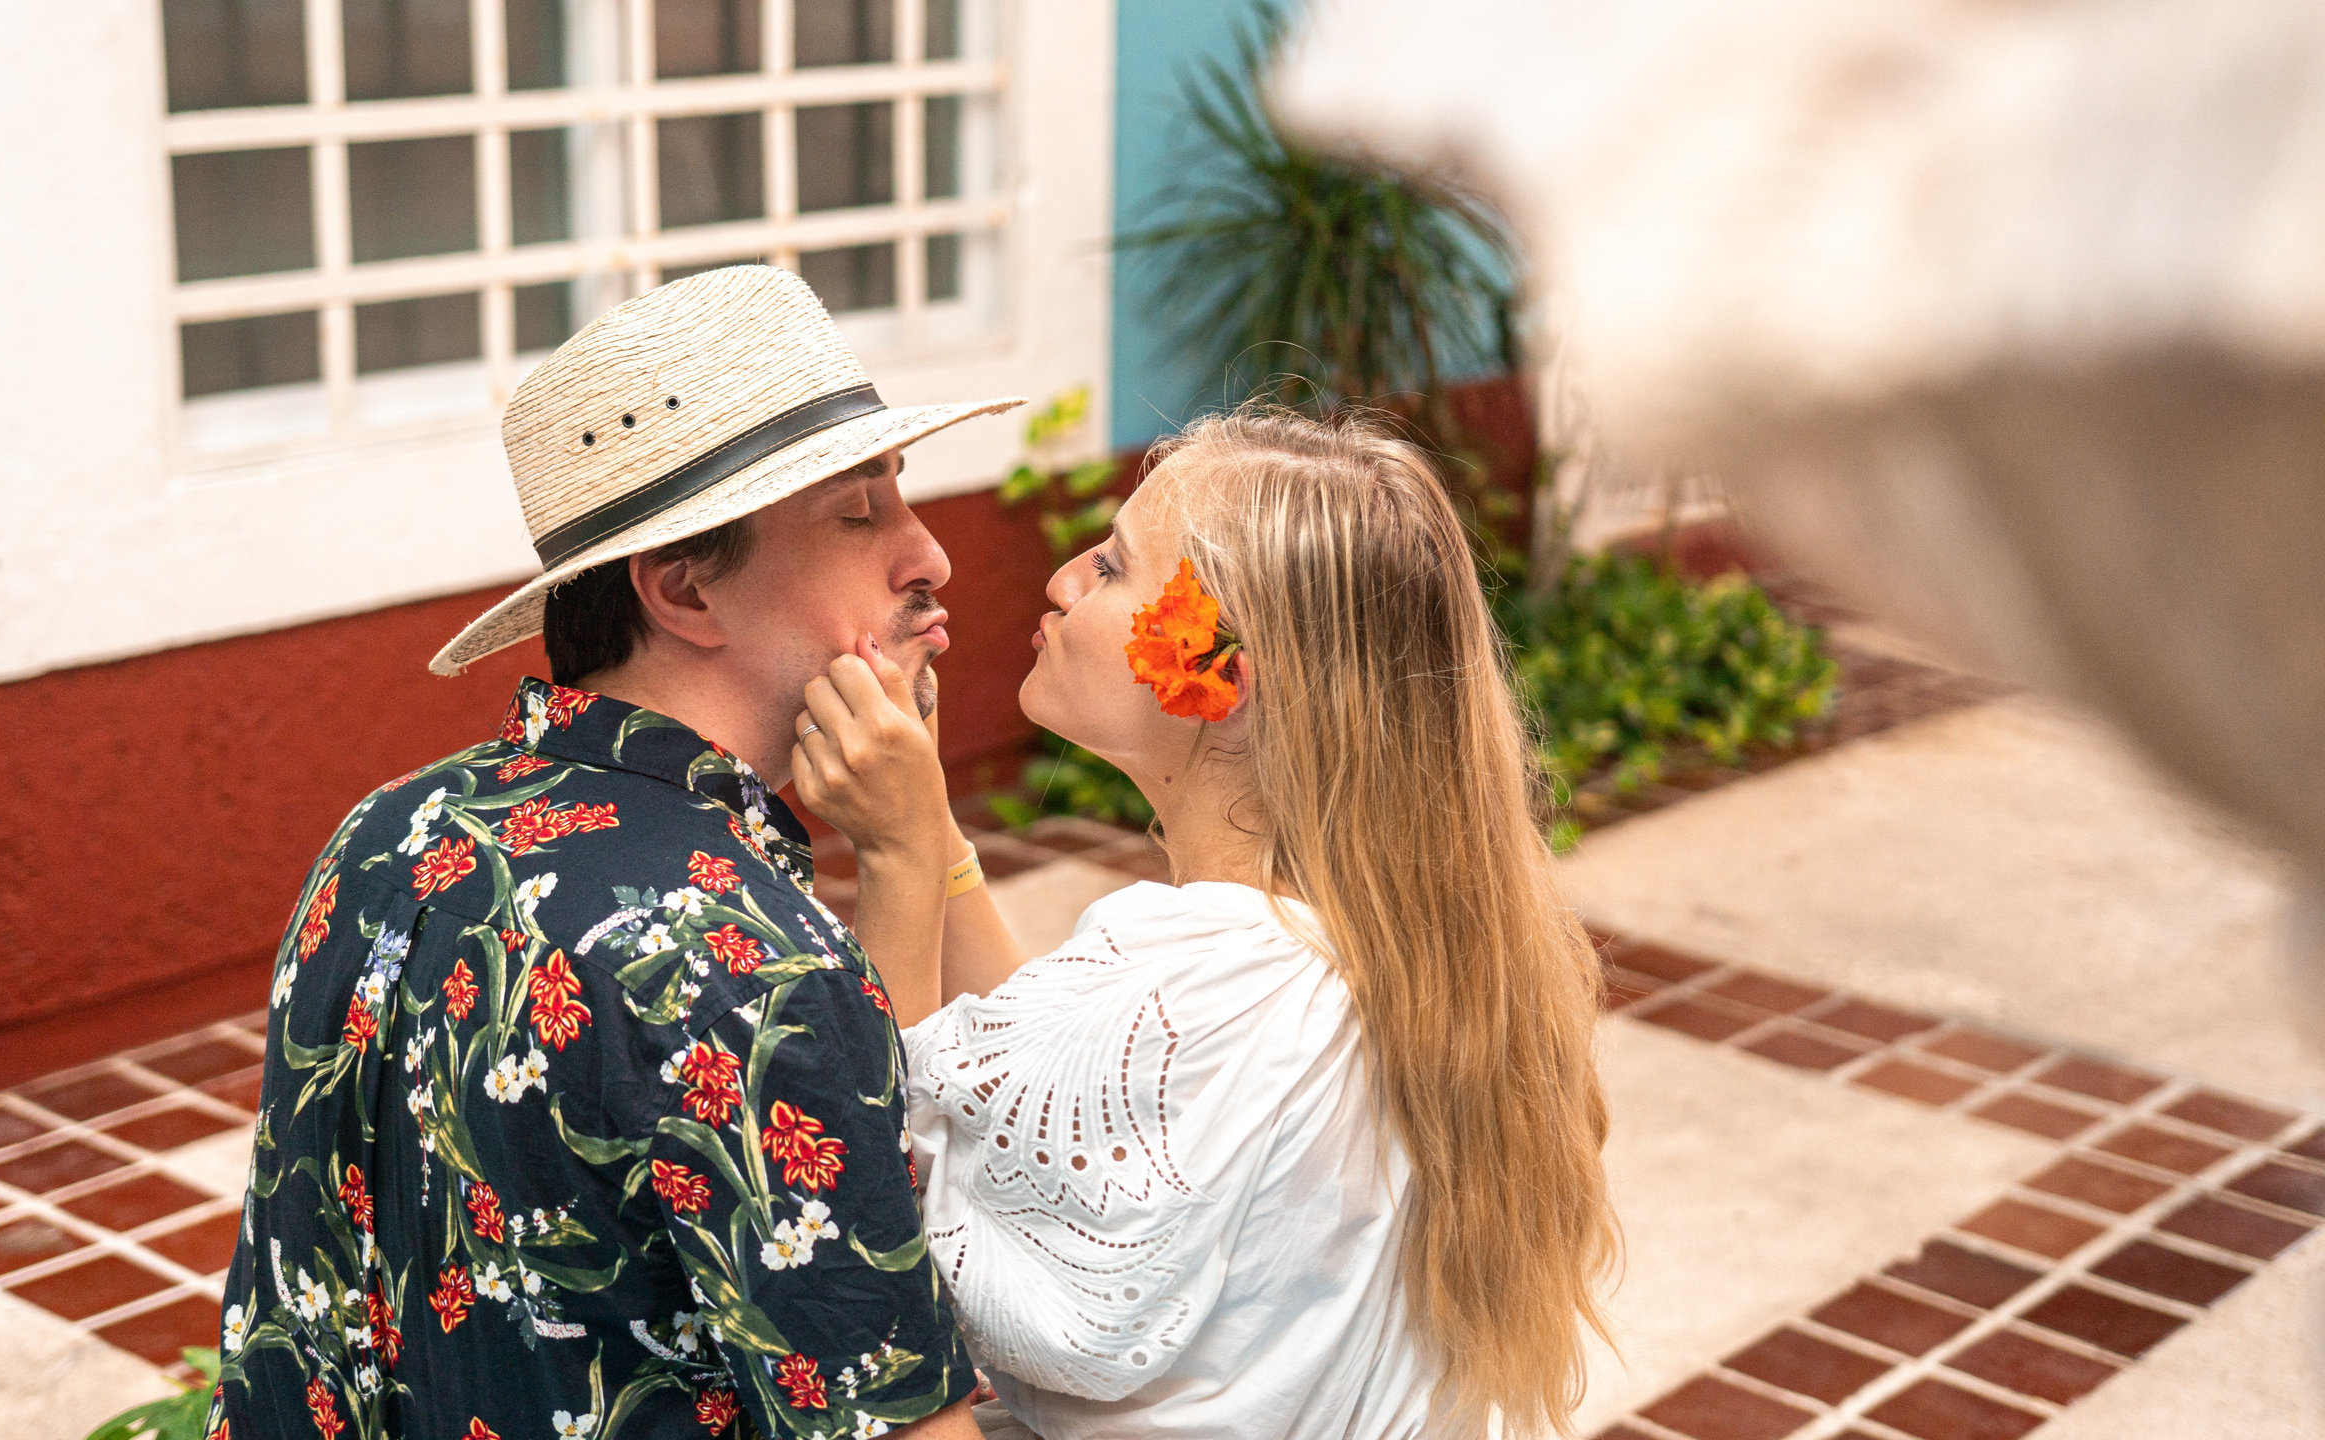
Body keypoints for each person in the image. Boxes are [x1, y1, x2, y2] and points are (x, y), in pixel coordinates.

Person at [206, 265, 1020, 1440]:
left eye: (903, 495)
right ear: (685, 588)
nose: (928, 554)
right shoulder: (741, 956)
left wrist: (909, 849)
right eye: (858, 512)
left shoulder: (387, 831)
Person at [791, 408, 1621, 1439]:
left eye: (1109, 566)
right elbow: (1031, 1091)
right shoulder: (1349, 939)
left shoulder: (1206, 986)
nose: (1060, 580)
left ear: (1220, 671)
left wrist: (898, 856)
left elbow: (874, 1193)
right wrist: (940, 830)